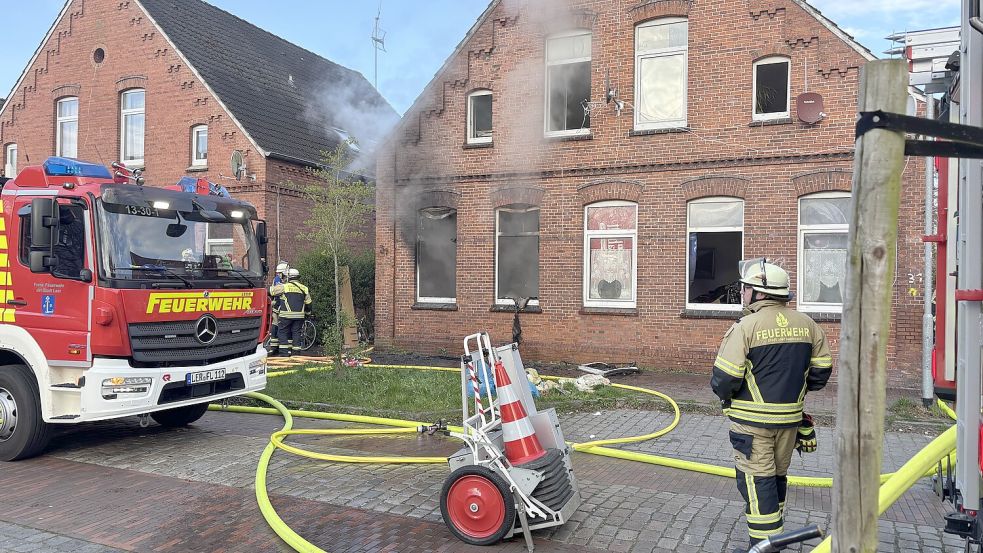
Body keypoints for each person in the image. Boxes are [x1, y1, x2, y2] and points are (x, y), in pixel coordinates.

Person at [711, 258, 832, 551]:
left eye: (746, 289)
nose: (742, 294)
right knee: (777, 478)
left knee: (755, 482)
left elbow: (724, 379)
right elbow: (821, 373)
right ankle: (775, 536)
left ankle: (763, 546)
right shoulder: (808, 325)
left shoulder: (745, 327)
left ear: (760, 293)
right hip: (790, 423)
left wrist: (730, 399)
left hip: (751, 426)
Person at [272, 267, 312, 356]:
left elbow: (272, 291)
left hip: (285, 316)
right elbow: (309, 303)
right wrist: (308, 313)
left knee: (282, 332)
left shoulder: (284, 287)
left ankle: (284, 353)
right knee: (296, 333)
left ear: (288, 277)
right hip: (299, 316)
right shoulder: (304, 288)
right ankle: (296, 353)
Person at [267, 262, 289, 355]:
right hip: (280, 306)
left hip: (280, 306)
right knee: (277, 326)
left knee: (277, 326)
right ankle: (275, 347)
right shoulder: (282, 280)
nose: (278, 274)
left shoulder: (279, 279)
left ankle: (274, 347)